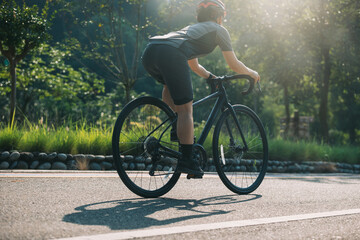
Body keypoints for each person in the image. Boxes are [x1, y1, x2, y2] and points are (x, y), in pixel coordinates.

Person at [141, 0, 260, 177]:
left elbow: (195, 67)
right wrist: (252, 73)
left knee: (170, 88)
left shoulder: (192, 29)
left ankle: (176, 128)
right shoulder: (219, 30)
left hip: (151, 51)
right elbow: (233, 63)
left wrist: (211, 77)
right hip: (171, 53)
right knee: (186, 111)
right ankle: (188, 160)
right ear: (219, 16)